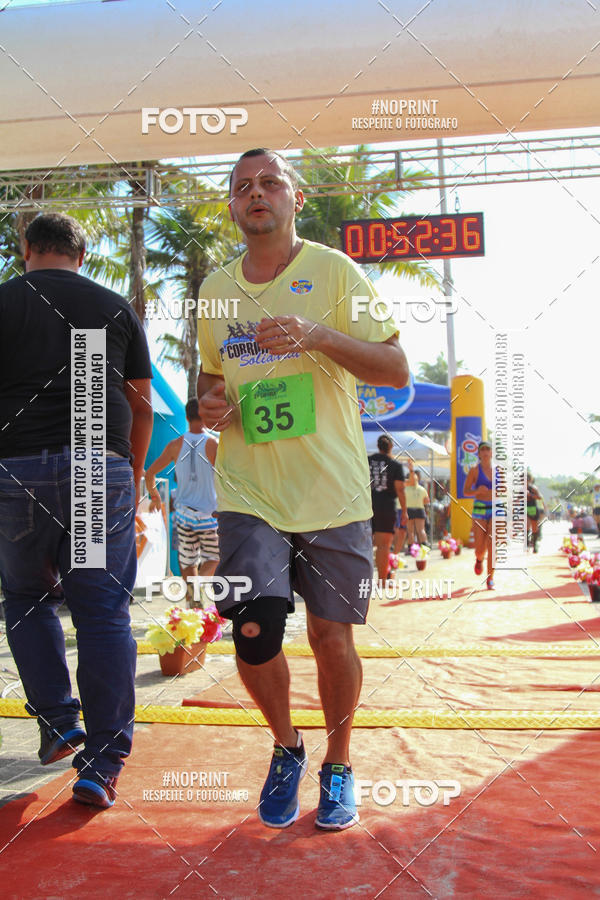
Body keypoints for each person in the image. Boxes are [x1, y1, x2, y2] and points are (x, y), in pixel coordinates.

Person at [196, 148, 409, 831]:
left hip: (333, 490)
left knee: (329, 635)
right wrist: (211, 403)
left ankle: (339, 764)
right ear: (232, 205)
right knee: (253, 631)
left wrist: (318, 335)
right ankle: (287, 746)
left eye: (270, 183)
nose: (256, 193)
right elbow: (209, 382)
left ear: (295, 199)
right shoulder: (213, 291)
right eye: (242, 187)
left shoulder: (334, 271)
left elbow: (397, 368)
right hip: (248, 490)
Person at [0, 213, 153, 809]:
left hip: (17, 468)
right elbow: (140, 406)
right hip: (96, 465)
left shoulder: (6, 301)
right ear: (81, 255)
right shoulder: (113, 306)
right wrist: (130, 475)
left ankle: (61, 721)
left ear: (28, 249)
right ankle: (103, 764)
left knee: (26, 597)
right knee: (101, 610)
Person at [145, 399, 219, 602]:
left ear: (186, 417)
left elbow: (150, 473)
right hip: (209, 514)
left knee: (188, 563)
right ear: (204, 415)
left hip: (183, 514)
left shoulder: (175, 445)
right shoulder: (214, 444)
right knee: (213, 558)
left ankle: (193, 607)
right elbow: (228, 478)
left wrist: (155, 496)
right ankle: (197, 591)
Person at [368, 436, 407, 582]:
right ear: (390, 447)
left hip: (366, 505)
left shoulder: (367, 461)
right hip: (386, 506)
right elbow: (400, 490)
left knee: (364, 544)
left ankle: (361, 579)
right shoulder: (395, 465)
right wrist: (404, 510)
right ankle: (382, 580)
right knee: (383, 546)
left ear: (378, 446)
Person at [463, 441, 496, 589]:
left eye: (487, 449)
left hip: (496, 509)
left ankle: (490, 578)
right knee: (479, 547)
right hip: (480, 509)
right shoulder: (474, 471)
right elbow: (465, 491)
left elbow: (506, 490)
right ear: (479, 454)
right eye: (482, 449)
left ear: (491, 453)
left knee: (492, 544)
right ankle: (479, 558)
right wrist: (478, 491)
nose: (485, 452)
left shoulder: (498, 470)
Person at [404, 464, 430, 547]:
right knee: (421, 530)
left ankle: (411, 548)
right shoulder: (422, 489)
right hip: (420, 509)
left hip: (409, 510)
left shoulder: (405, 489)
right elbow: (426, 501)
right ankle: (425, 546)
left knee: (410, 531)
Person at [526, 471, 545, 553]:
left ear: (530, 480)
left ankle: (535, 545)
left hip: (533, 508)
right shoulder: (520, 489)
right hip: (524, 508)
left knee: (534, 528)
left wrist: (531, 495)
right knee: (526, 526)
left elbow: (540, 497)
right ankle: (526, 543)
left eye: (527, 479)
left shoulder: (533, 488)